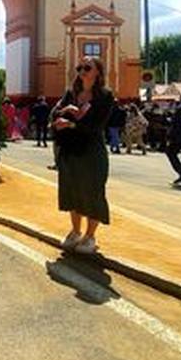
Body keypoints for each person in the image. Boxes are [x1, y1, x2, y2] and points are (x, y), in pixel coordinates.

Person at [52, 57, 114, 255]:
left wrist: (72, 124)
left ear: (98, 72)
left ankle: (90, 236)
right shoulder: (71, 93)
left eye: (87, 67)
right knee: (72, 190)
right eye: (79, 67)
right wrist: (64, 111)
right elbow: (53, 114)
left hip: (91, 150)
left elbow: (97, 125)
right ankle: (75, 231)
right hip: (70, 149)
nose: (82, 71)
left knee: (93, 192)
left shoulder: (105, 96)